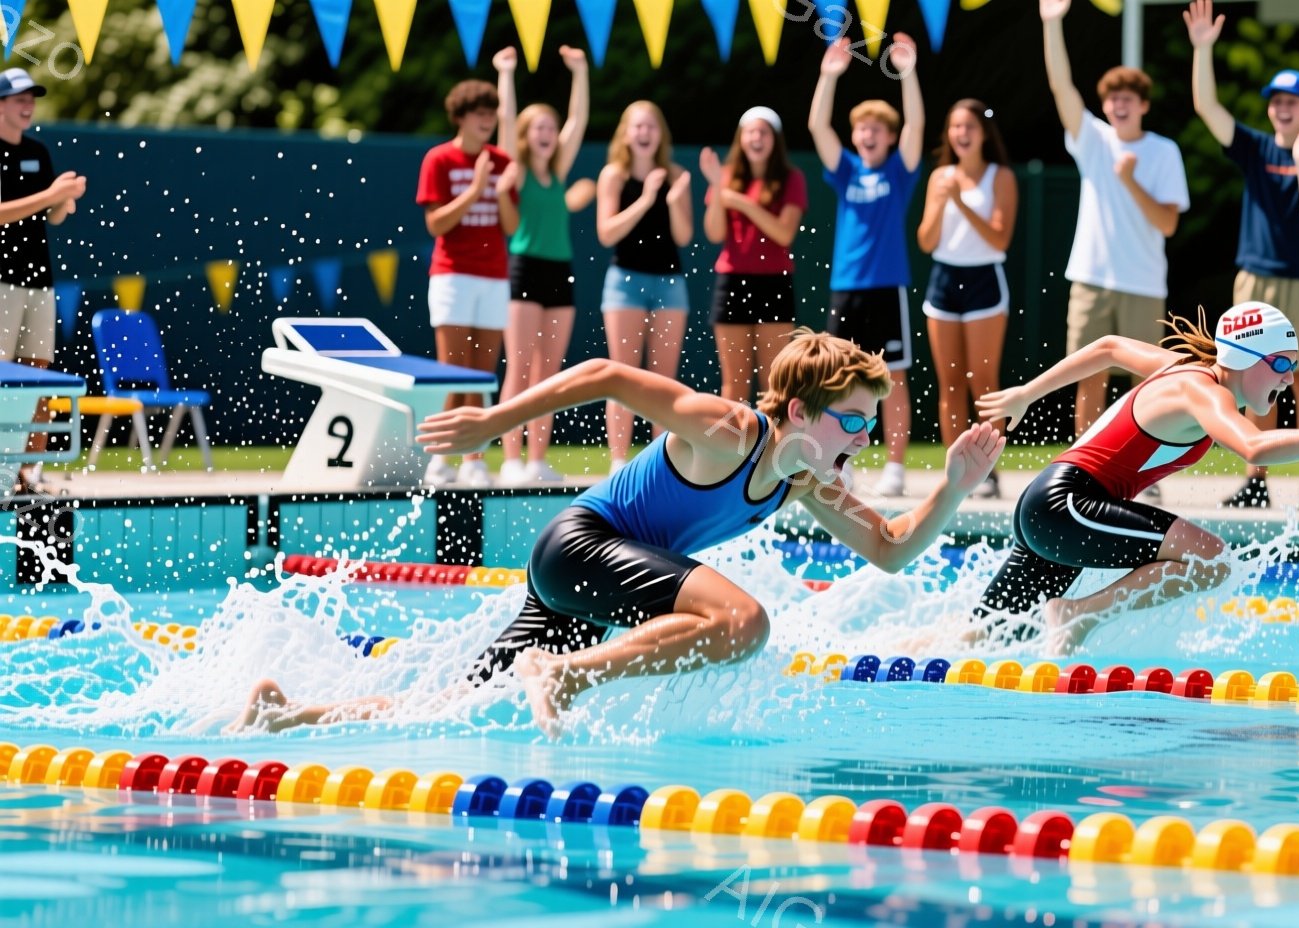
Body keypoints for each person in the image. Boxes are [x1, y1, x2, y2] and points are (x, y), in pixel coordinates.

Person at [228, 331, 1004, 735]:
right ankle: (565, 673)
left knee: (455, 704)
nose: (866, 436)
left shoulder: (806, 478)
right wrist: (491, 426)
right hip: (578, 545)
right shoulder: (730, 430)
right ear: (802, 411)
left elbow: (894, 549)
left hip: (587, 581)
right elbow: (602, 373)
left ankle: (284, 715)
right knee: (744, 622)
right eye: (856, 420)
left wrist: (953, 486)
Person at [972, 303, 1299, 654]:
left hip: (1050, 506)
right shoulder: (1203, 391)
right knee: (1213, 561)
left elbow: (1108, 347)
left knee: (985, 637)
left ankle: (906, 653)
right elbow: (1256, 448)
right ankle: (1079, 614)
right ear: (1246, 357)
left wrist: (1027, 394)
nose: (1287, 380)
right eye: (1282, 365)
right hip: (1066, 505)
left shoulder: (1184, 370)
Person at [1186, 0, 1299, 512]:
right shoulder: (1255, 148)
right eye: (1276, 101)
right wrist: (1203, 50)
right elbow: (1208, 109)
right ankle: (1256, 479)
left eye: (1291, 102)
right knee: (1252, 380)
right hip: (1254, 280)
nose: (1281, 108)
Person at [1041, 0, 1190, 483]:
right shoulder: (1095, 141)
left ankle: (1143, 474)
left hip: (1143, 283)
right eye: (1112, 98)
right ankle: (1089, 473)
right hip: (1089, 278)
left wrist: (1130, 181)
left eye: (1128, 97)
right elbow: (1061, 87)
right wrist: (1051, 22)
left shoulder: (1164, 152)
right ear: (1105, 106)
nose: (1118, 104)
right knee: (1089, 379)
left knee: (1149, 388)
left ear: (1143, 104)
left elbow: (1167, 223)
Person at [809, 34, 925, 498]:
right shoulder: (846, 171)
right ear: (855, 135)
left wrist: (908, 72)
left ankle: (895, 466)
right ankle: (838, 464)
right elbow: (818, 127)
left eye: (877, 128)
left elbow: (917, 125)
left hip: (887, 287)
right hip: (846, 287)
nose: (868, 134)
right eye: (861, 128)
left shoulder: (899, 171)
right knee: (838, 380)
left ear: (889, 136)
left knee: (892, 379)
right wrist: (828, 75)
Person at [417, 50, 521, 489]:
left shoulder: (502, 161)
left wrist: (496, 191)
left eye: (492, 115)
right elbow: (436, 223)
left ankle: (475, 461)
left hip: (494, 276)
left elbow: (513, 227)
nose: (488, 122)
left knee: (483, 376)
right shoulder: (439, 160)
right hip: (452, 276)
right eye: (480, 114)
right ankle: (439, 459)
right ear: (460, 116)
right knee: (453, 371)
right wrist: (475, 188)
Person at [495, 46, 595, 488]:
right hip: (524, 269)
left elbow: (579, 120)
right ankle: (511, 458)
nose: (548, 132)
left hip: (560, 272)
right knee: (518, 369)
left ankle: (537, 459)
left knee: (548, 375)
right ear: (524, 134)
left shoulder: (560, 171)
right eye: (538, 126)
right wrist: (506, 73)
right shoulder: (515, 169)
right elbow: (505, 117)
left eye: (551, 128)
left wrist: (579, 72)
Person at [916, 99, 1018, 500]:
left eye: (969, 127)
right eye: (955, 127)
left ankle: (987, 471)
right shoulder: (940, 176)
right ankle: (955, 471)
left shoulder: (1001, 177)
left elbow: (999, 238)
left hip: (984, 283)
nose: (961, 134)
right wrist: (943, 201)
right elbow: (926, 241)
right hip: (943, 281)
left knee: (984, 383)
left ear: (983, 134)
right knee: (950, 383)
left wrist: (960, 200)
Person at [597, 101, 695, 474]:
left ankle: (660, 466)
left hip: (670, 283)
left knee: (661, 381)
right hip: (624, 282)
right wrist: (645, 199)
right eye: (638, 126)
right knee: (622, 375)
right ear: (626, 132)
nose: (644, 133)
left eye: (651, 126)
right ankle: (619, 463)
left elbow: (684, 236)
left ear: (661, 135)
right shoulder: (614, 176)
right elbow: (607, 233)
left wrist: (670, 200)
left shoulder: (677, 176)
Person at [0, 68, 85, 495]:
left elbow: (51, 216)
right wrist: (51, 196)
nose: (28, 104)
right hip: (0, 282)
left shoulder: (38, 151)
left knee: (39, 377)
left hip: (39, 281)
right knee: (1, 375)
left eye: (31, 97)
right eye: (18, 98)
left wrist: (64, 199)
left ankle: (29, 471)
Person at [699, 106, 808, 405]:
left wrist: (740, 201)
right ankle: (734, 451)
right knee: (733, 383)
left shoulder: (791, 178)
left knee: (776, 382)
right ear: (741, 138)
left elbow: (784, 233)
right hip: (731, 282)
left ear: (775, 140)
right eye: (751, 132)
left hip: (774, 283)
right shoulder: (726, 177)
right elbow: (713, 232)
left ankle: (772, 451)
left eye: (764, 132)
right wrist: (718, 188)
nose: (757, 138)